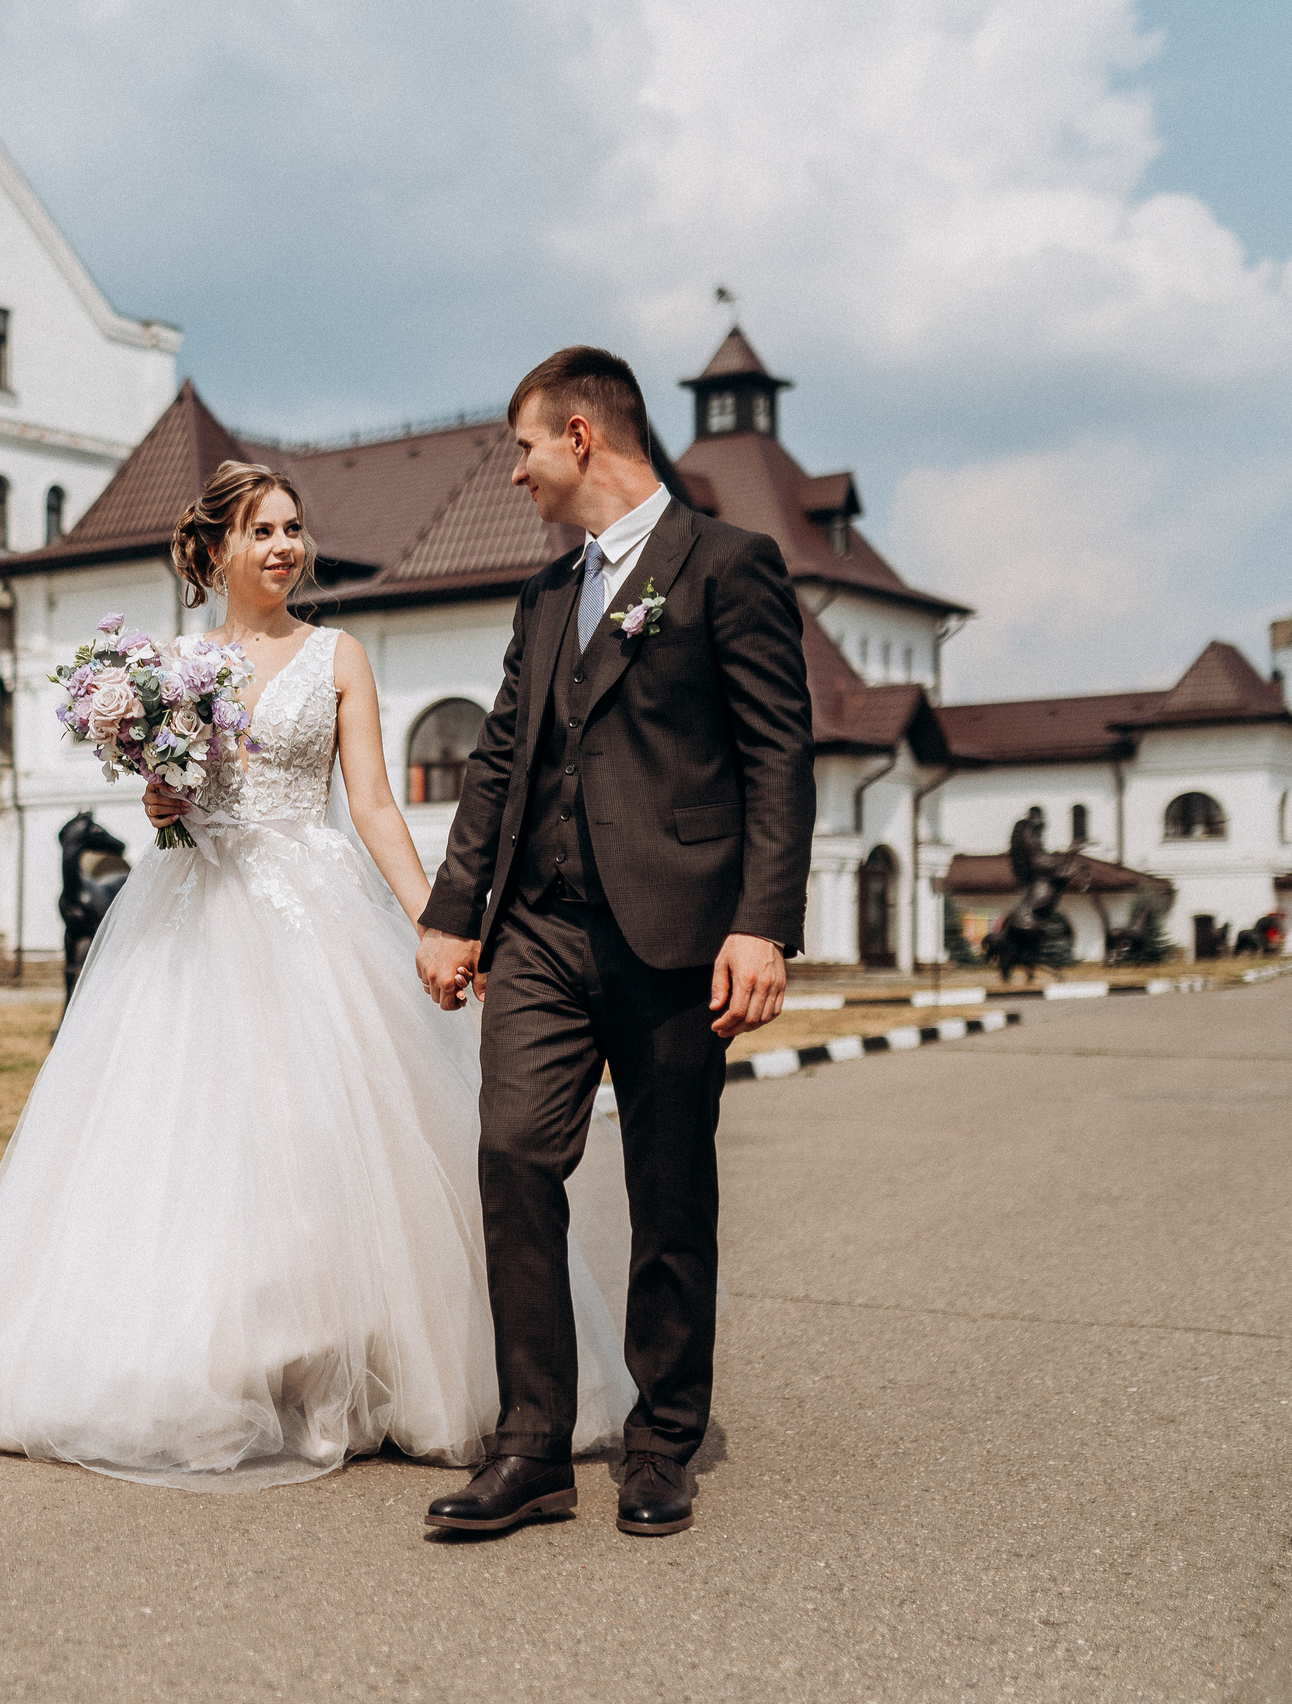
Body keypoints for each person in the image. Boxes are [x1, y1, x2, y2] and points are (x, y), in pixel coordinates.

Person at [0, 460, 637, 1491]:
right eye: (262, 531)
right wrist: (161, 804)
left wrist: (440, 918)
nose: (285, 547)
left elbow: (373, 803)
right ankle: (220, 1367)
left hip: (315, 906)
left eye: (294, 529)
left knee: (326, 1136)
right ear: (214, 552)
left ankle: (349, 1361)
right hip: (194, 914)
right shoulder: (169, 667)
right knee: (187, 1140)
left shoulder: (338, 653)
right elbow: (172, 800)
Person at [414, 347, 814, 1538]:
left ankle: (661, 1439)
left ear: (581, 436)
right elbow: (499, 762)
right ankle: (532, 1444)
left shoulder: (727, 565)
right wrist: (451, 911)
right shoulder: (545, 597)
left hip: (681, 931)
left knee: (668, 1183)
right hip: (538, 931)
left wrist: (761, 923)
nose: (519, 473)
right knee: (514, 1154)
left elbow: (776, 758)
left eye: (525, 449)